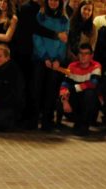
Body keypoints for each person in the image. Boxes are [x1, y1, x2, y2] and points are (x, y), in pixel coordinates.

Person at [30, 0, 69, 131]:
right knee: (37, 90)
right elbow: (36, 37)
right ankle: (34, 120)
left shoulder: (64, 20)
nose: (53, 2)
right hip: (41, 58)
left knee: (51, 92)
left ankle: (47, 121)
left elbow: (64, 41)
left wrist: (58, 59)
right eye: (51, 0)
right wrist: (45, 56)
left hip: (55, 61)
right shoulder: (40, 16)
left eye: (56, 0)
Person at [59, 43, 101, 136]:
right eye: (81, 53)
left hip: (88, 101)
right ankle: (74, 121)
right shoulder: (72, 66)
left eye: (86, 53)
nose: (83, 56)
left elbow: (93, 83)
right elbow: (64, 85)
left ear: (91, 55)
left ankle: (84, 125)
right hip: (75, 99)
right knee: (61, 96)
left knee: (90, 93)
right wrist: (65, 101)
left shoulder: (96, 66)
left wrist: (73, 88)